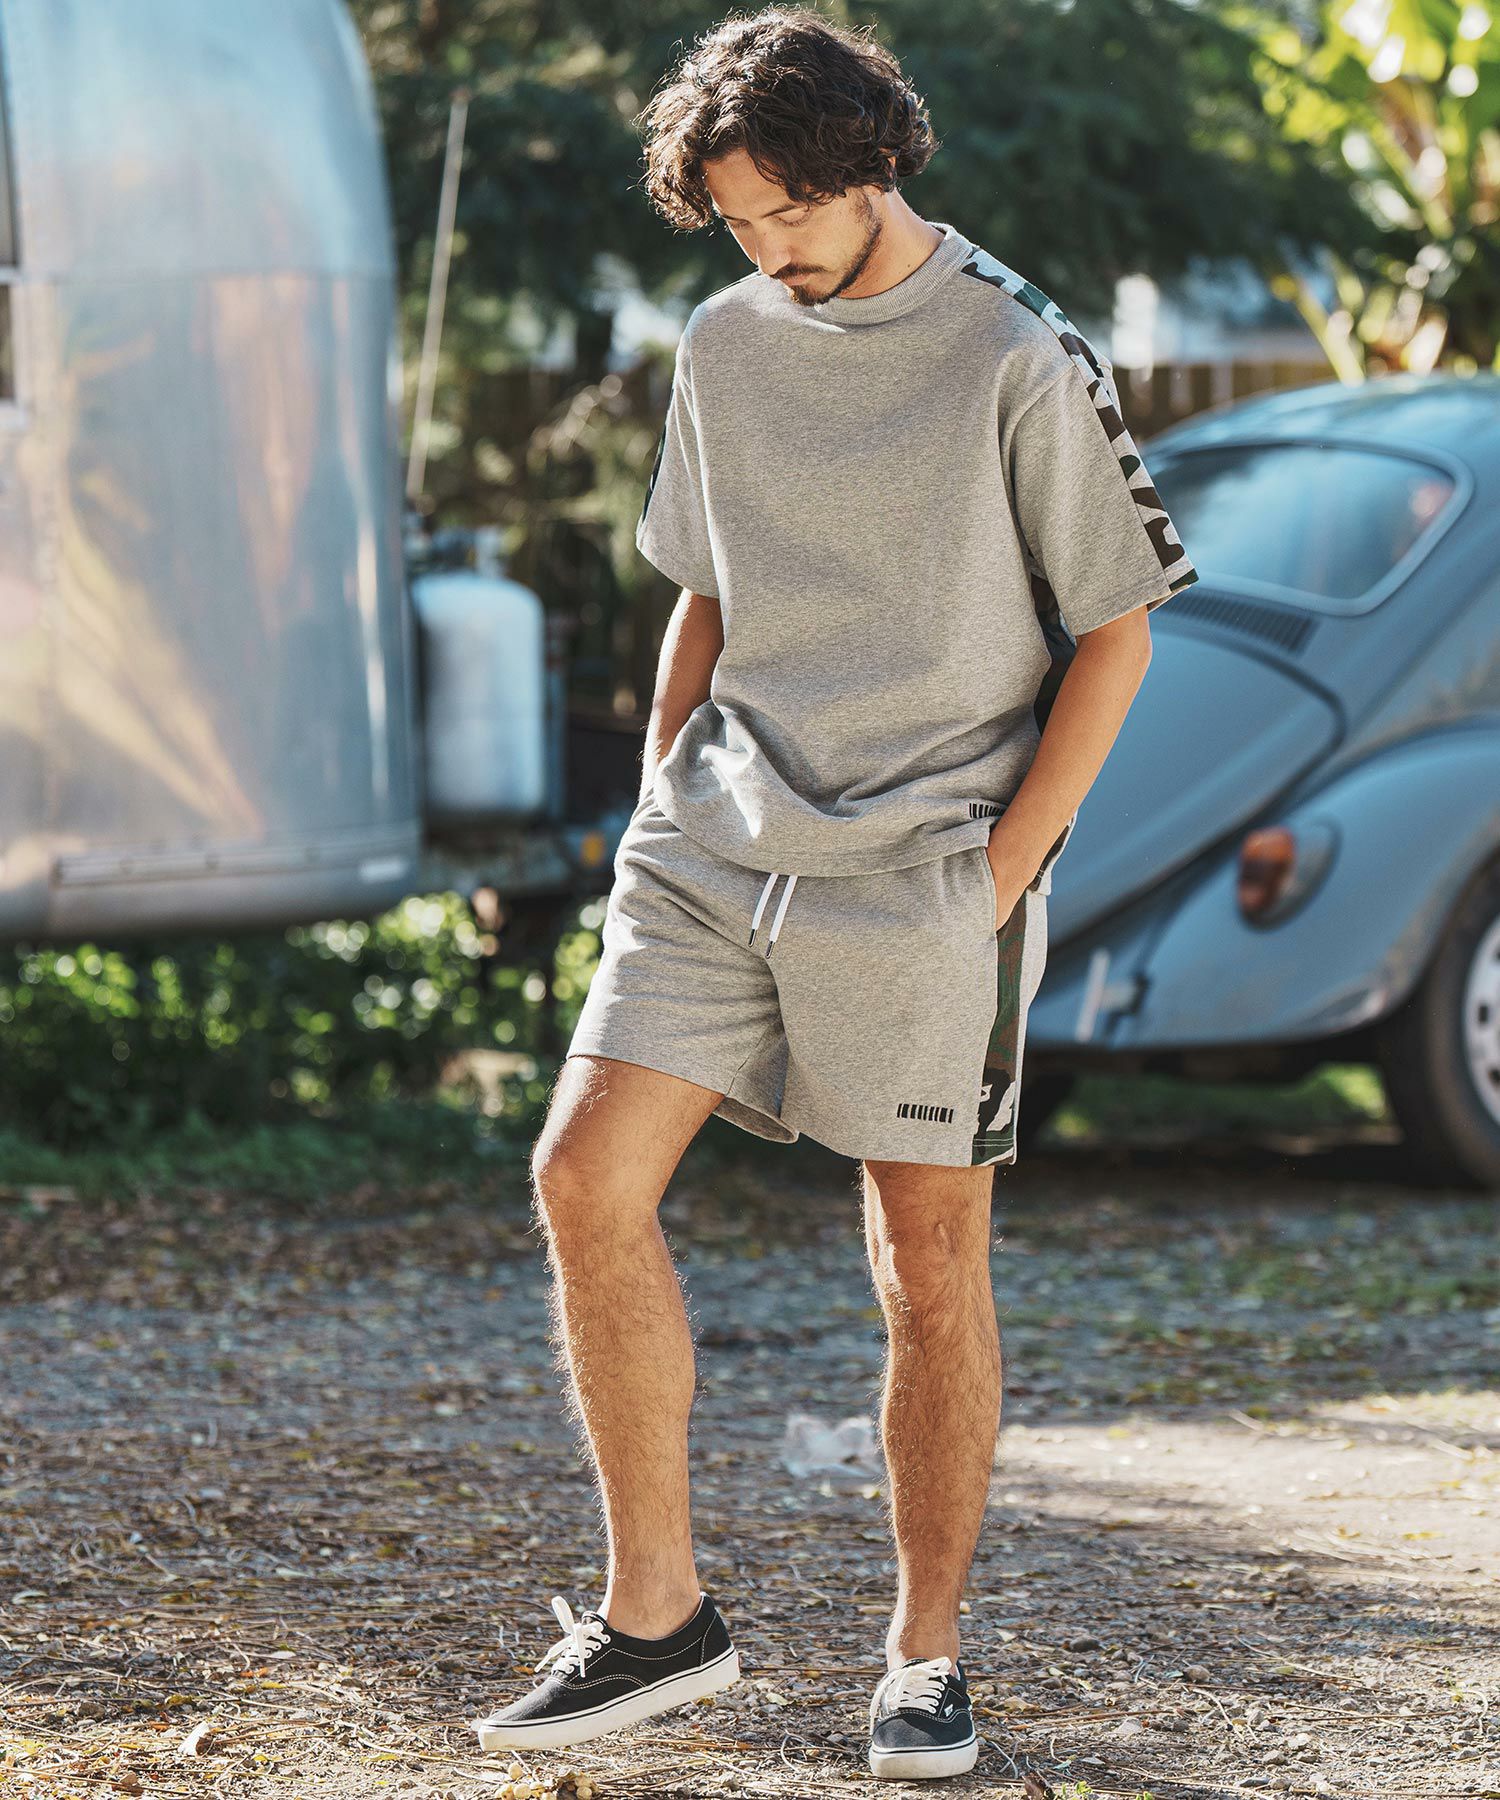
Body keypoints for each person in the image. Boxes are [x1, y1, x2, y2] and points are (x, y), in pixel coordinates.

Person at [473, 4, 1197, 1781]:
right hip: (716, 839)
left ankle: (923, 1658)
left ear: (871, 163)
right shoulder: (727, 341)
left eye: (786, 211)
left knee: (924, 1266)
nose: (766, 250)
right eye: (734, 222)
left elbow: (1118, 632)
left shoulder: (1018, 351)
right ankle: (658, 1620)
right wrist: (659, 796)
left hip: (924, 866)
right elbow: (704, 593)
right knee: (581, 1177)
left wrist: (999, 877)